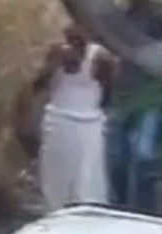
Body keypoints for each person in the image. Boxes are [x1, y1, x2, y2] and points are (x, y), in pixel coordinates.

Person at [33, 23, 113, 211]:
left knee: (87, 180)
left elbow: (107, 91)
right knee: (56, 179)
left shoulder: (100, 58)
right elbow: (38, 85)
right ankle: (55, 213)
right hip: (58, 121)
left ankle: (86, 217)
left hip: (88, 125)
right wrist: (54, 66)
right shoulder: (56, 54)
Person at [107, 0, 162, 214]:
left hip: (150, 96)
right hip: (124, 94)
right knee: (119, 158)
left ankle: (145, 210)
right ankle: (121, 206)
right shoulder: (122, 16)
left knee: (143, 155)